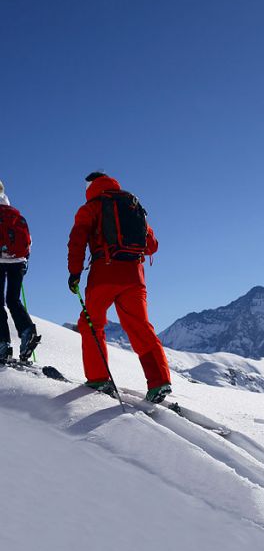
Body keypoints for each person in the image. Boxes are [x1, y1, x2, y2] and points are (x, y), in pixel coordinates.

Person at [67, 172, 171, 402]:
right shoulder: (131, 204)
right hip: (135, 277)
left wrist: (74, 273)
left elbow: (77, 239)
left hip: (104, 273)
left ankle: (99, 378)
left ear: (90, 187)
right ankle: (159, 381)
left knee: (91, 324)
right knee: (140, 327)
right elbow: (151, 245)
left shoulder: (91, 207)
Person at [0, 180, 39, 363]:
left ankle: (2, 344)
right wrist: (24, 262)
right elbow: (28, 241)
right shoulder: (14, 214)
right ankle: (26, 331)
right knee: (13, 300)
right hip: (18, 261)